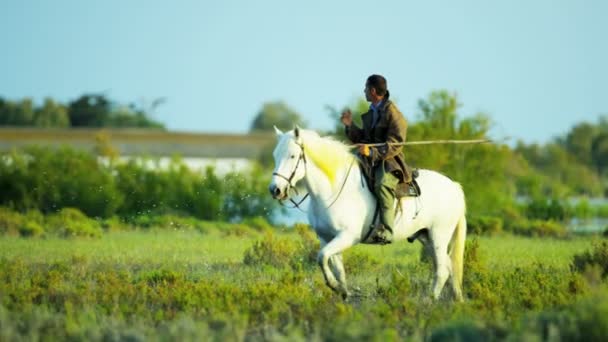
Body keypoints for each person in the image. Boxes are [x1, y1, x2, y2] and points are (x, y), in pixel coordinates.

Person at [340, 74, 409, 244]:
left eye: (365, 88)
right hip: (369, 159)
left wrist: (371, 152)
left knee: (382, 184)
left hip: (389, 161)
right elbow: (364, 137)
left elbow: (396, 144)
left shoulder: (394, 114)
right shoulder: (372, 111)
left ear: (372, 90)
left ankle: (387, 231)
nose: (364, 91)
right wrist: (350, 126)